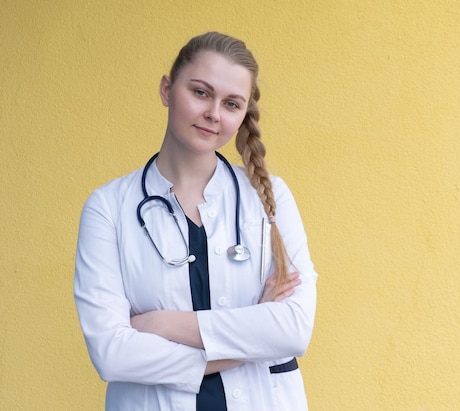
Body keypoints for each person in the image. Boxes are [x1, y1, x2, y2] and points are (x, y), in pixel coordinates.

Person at [74, 31, 317, 410]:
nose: (213, 114)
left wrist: (162, 325)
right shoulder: (108, 207)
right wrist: (249, 342)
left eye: (231, 104)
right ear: (167, 90)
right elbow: (111, 353)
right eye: (201, 92)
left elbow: (293, 329)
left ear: (242, 116)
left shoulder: (269, 199)